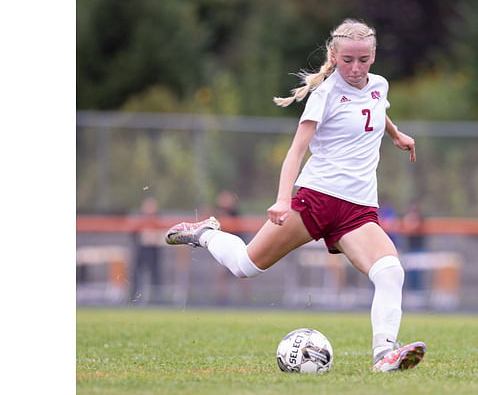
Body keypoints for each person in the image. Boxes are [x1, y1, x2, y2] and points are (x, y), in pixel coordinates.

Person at [165, 19, 425, 372]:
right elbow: (295, 151)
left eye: (363, 59)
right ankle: (205, 234)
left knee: (391, 272)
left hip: (358, 210)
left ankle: (384, 355)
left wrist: (395, 134)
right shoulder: (325, 94)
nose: (355, 67)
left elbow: (375, 110)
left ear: (374, 55)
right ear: (334, 54)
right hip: (316, 200)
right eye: (347, 59)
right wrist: (283, 199)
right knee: (244, 267)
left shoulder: (379, 84)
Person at [130, 196, 163, 305]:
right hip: (142, 251)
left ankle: (157, 299)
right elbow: (133, 235)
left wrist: (154, 237)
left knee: (156, 275)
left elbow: (163, 235)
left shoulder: (157, 220)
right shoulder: (140, 220)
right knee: (137, 274)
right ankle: (133, 298)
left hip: (154, 252)